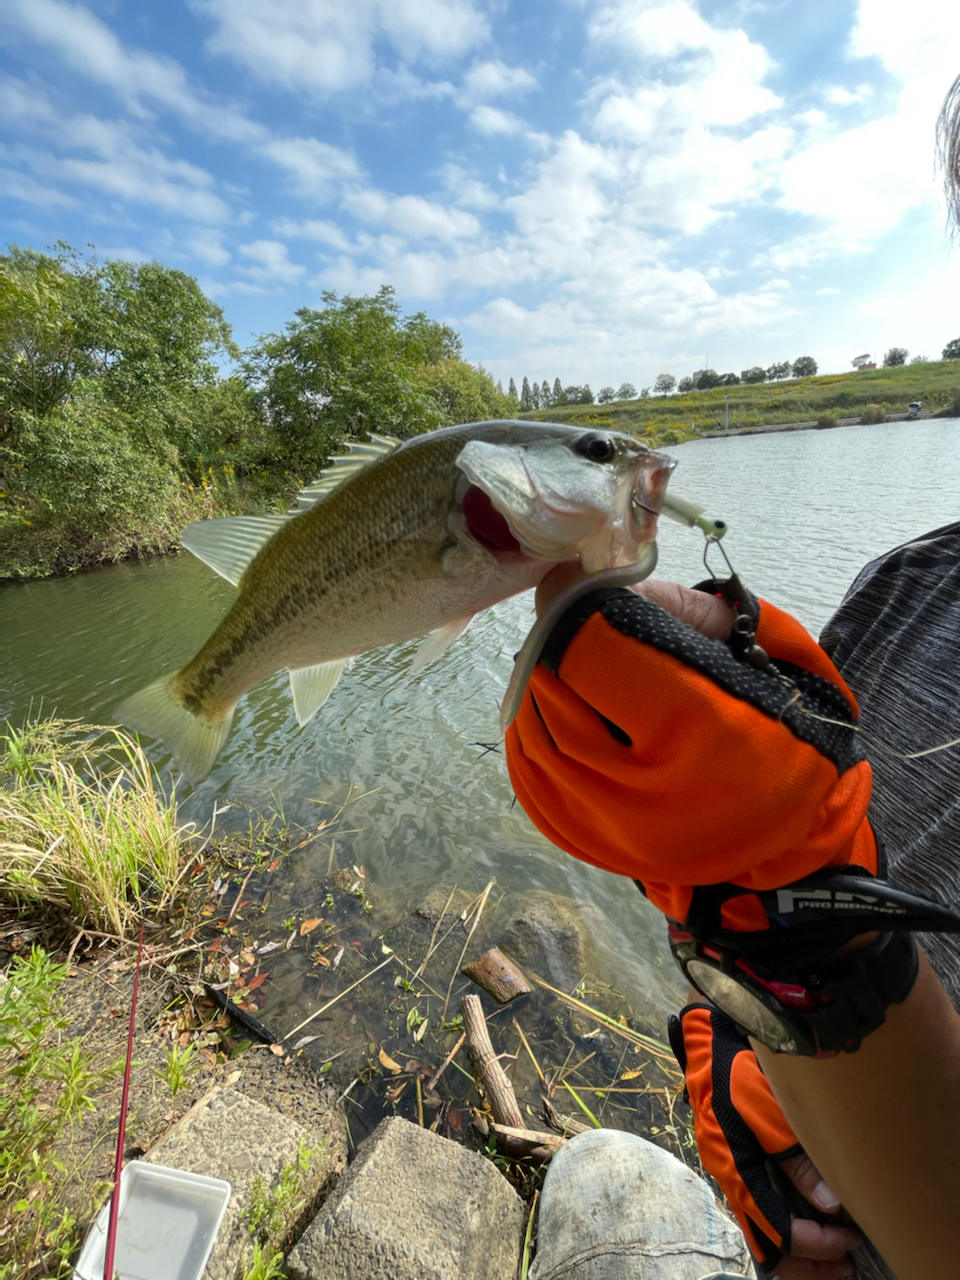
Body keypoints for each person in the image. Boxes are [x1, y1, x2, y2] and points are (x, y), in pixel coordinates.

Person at [504, 536, 960, 1280]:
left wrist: (783, 945)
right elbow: (756, 854)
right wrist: (722, 1022)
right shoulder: (909, 584)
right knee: (593, 1161)